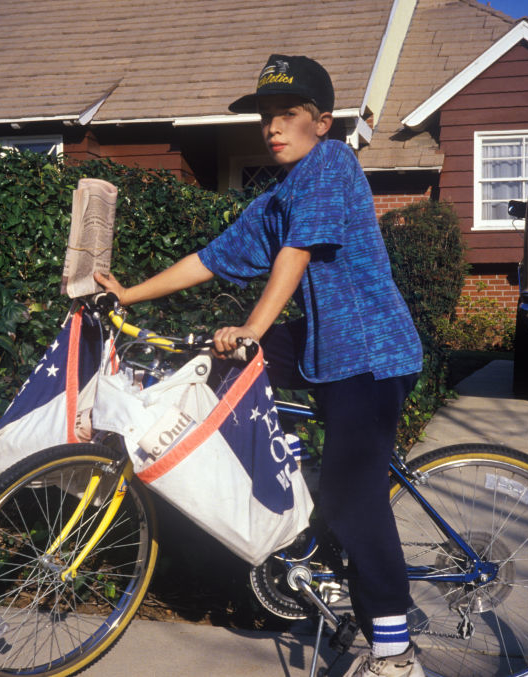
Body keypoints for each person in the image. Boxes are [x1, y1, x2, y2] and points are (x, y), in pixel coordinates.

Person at [94, 54, 427, 677]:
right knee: (204, 366)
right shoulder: (278, 197)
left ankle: (396, 654)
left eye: (289, 115)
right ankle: (299, 490)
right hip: (323, 349)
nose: (273, 127)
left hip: (371, 356)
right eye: (266, 117)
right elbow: (212, 257)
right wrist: (127, 295)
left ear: (321, 123)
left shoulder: (331, 165)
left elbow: (296, 255)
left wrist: (253, 327)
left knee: (353, 501)